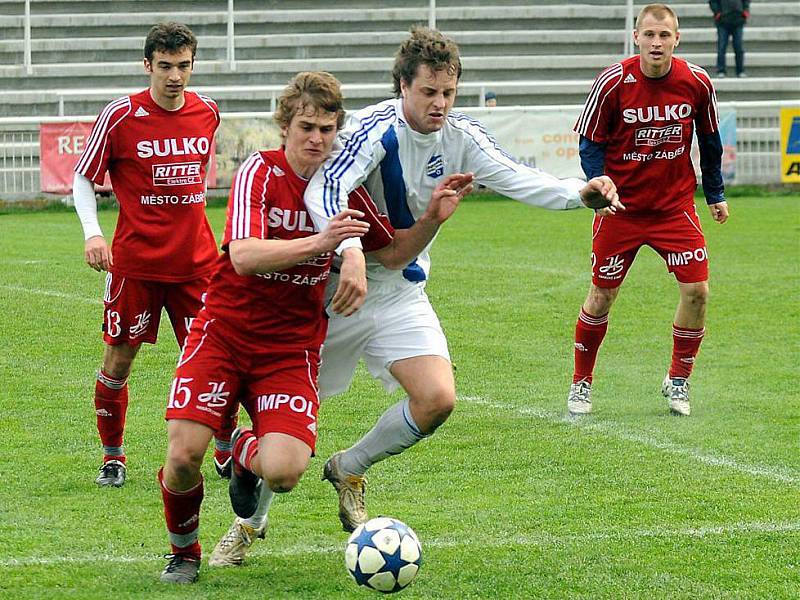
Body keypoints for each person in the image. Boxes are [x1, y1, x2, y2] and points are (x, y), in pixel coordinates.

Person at [206, 26, 621, 562]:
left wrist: (578, 192)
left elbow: (518, 176)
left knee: (437, 399)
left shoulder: (462, 136)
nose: (440, 103)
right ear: (403, 86)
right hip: (333, 295)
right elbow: (322, 187)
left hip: (399, 291)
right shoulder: (373, 129)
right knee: (283, 427)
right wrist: (351, 252)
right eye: (428, 92)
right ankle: (249, 524)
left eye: (448, 92)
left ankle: (350, 466)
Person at [157, 70, 474, 583]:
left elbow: (391, 254)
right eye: (307, 126)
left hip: (290, 346)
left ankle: (242, 449)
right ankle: (184, 553)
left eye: (327, 129)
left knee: (283, 473)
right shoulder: (259, 172)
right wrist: (323, 243)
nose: (316, 139)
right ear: (285, 126)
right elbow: (243, 255)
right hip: (225, 332)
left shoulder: (343, 186)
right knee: (183, 455)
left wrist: (432, 219)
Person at [73, 22, 234, 488]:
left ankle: (224, 447)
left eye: (183, 66)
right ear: (148, 66)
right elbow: (85, 177)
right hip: (137, 267)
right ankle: (112, 455)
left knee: (213, 360)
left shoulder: (207, 111)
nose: (175, 76)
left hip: (197, 266)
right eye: (165, 66)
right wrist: (92, 234)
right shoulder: (121, 116)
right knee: (118, 361)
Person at [567, 3, 728, 418]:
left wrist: (715, 193)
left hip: (675, 208)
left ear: (677, 39)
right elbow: (589, 142)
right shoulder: (613, 82)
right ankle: (581, 384)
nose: (657, 43)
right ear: (636, 37)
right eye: (649, 35)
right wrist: (599, 181)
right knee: (601, 295)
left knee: (698, 292)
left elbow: (710, 141)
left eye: (665, 36)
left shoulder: (696, 82)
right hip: (620, 211)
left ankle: (678, 380)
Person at [710, 0, 750, 78]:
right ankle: (721, 70)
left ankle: (740, 70)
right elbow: (712, 1)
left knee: (738, 47)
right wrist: (717, 12)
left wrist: (745, 10)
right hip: (723, 21)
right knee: (721, 47)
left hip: (738, 19)